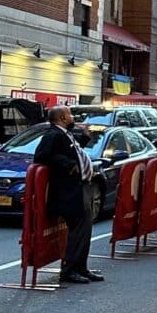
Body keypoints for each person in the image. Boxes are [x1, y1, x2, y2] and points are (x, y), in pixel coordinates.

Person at [33, 106, 104, 285]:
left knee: (84, 231)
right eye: (70, 114)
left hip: (79, 186)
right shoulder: (53, 135)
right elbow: (42, 156)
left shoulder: (65, 134)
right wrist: (67, 164)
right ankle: (70, 270)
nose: (73, 117)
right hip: (68, 191)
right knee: (78, 231)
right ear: (63, 118)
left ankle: (81, 267)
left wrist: (85, 137)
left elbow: (71, 151)